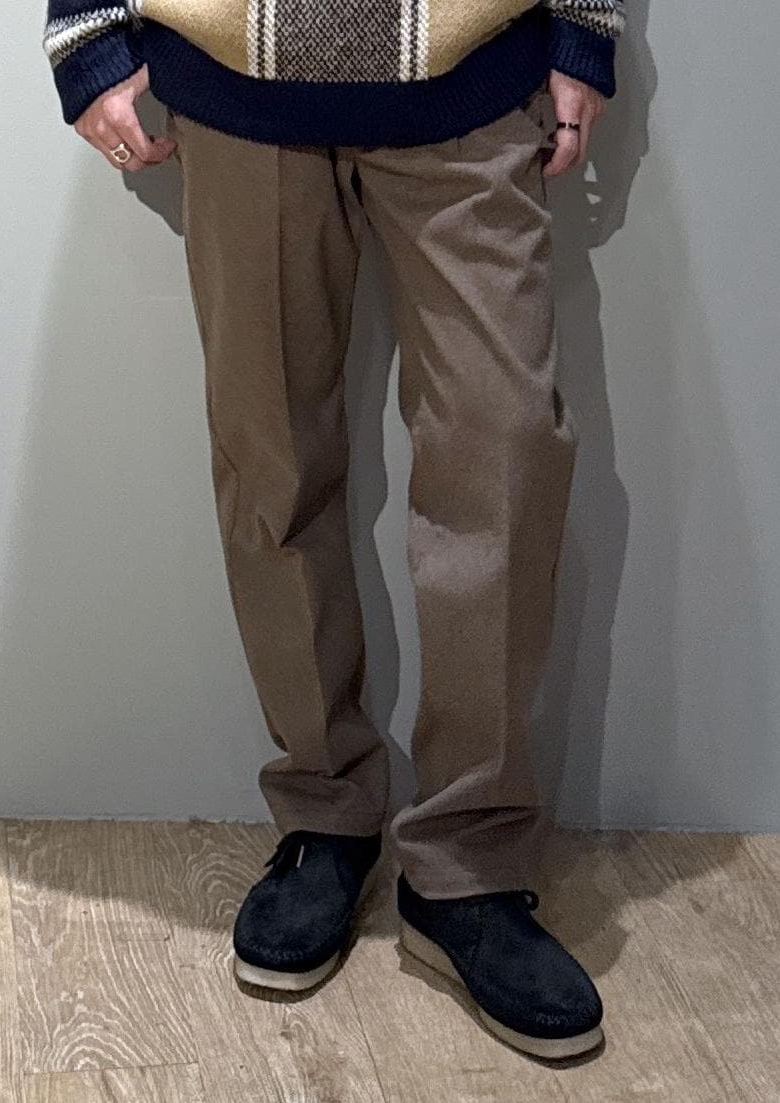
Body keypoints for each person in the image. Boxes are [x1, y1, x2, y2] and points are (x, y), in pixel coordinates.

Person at [43, 0, 625, 1061]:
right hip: (231, 73)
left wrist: (584, 23)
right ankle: (324, 810)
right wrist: (83, 26)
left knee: (505, 452)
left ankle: (468, 861)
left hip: (473, 70)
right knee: (271, 461)